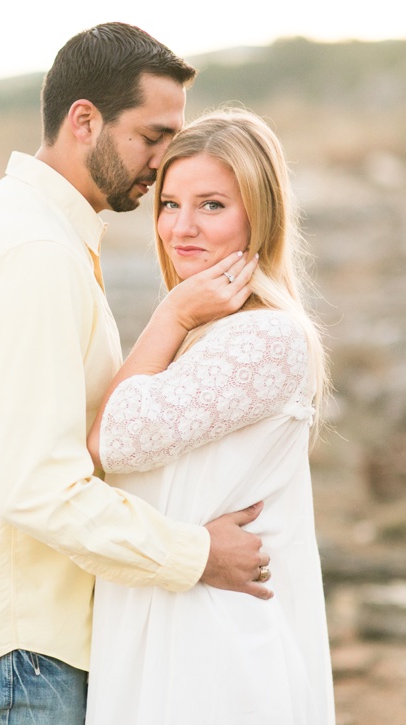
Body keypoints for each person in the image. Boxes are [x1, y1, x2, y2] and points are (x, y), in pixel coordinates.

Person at [0, 23, 269, 724]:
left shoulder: (32, 233)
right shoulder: (34, 254)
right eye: (151, 136)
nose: (161, 164)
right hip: (17, 654)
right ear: (85, 120)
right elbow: (38, 486)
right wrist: (197, 553)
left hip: (13, 649)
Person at [84, 108, 334, 724]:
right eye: (169, 203)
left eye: (213, 205)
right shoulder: (209, 333)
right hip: (172, 624)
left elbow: (109, 441)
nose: (182, 227)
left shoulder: (265, 338)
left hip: (213, 652)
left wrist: (167, 317)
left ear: (260, 213)